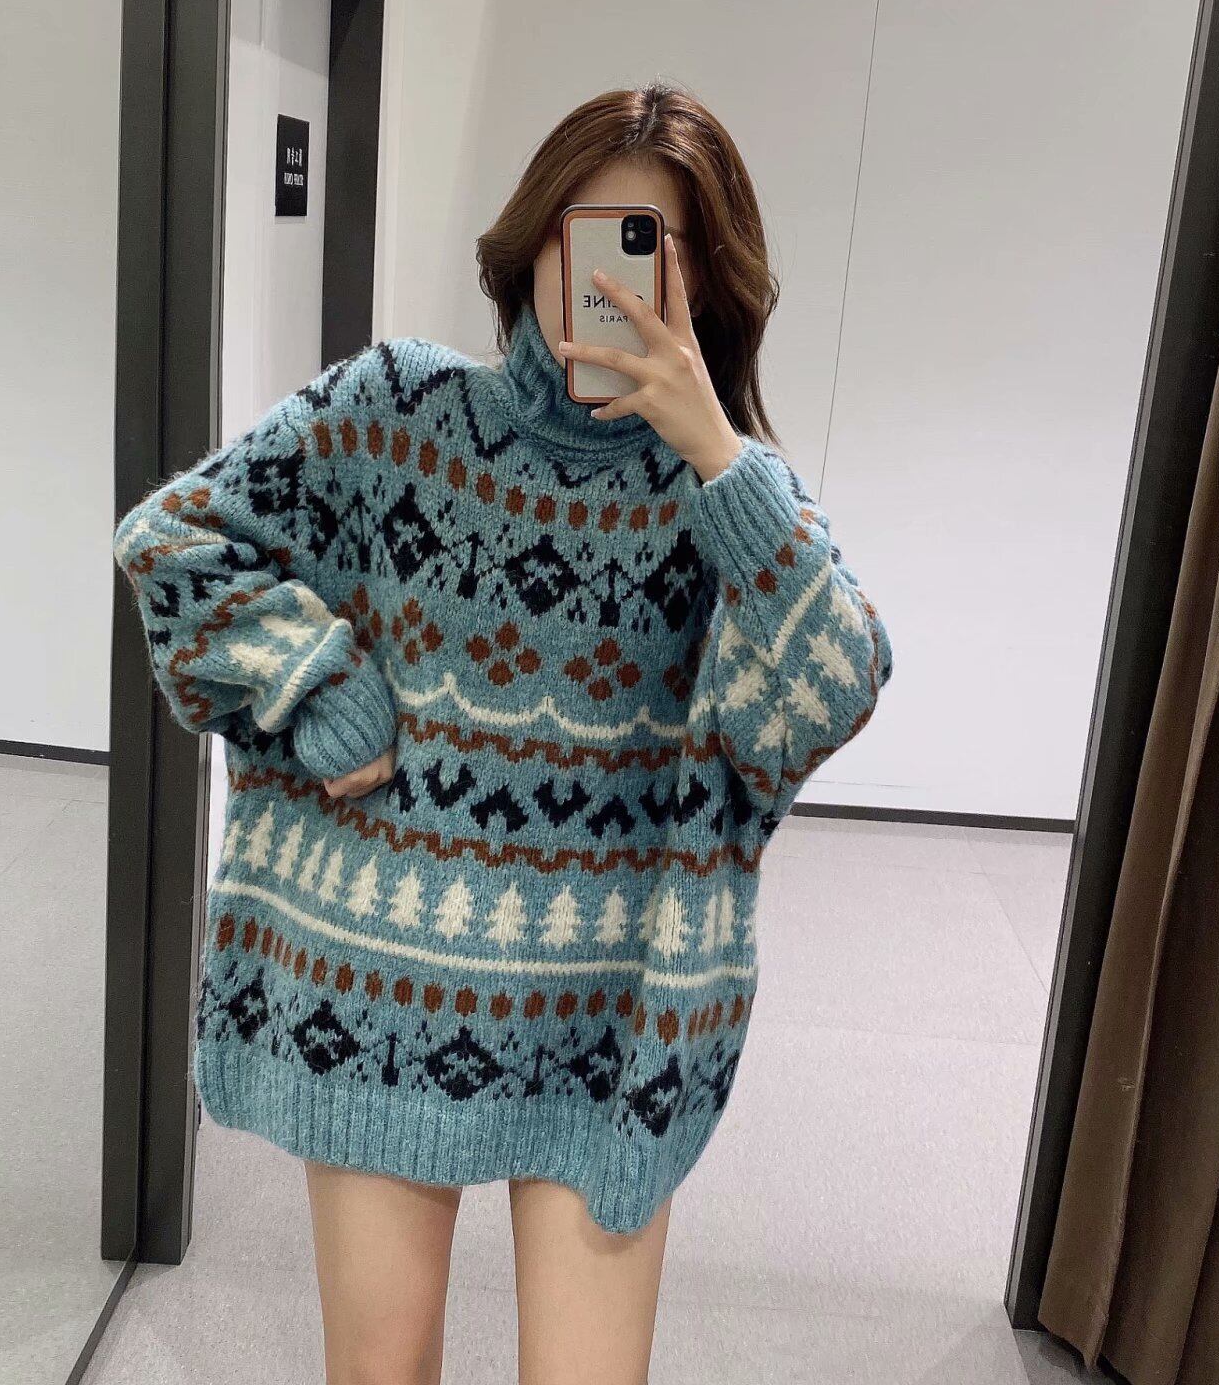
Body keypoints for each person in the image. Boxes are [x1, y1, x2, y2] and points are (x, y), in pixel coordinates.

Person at [111, 82, 893, 1385]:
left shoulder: (728, 495)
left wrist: (718, 453)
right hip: (380, 983)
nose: (617, 285)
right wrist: (312, 680)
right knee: (381, 1371)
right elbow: (174, 539)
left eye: (658, 250)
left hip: (611, 1020)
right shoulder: (398, 410)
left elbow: (836, 684)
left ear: (709, 280)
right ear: (533, 246)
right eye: (592, 241)